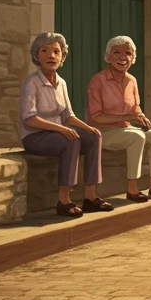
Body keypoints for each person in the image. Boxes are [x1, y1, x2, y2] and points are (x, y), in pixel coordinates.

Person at [19, 32, 107, 217]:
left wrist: (88, 128)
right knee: (71, 141)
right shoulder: (31, 83)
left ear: (62, 57)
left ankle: (90, 197)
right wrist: (61, 129)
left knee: (93, 137)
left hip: (57, 134)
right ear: (36, 55)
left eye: (56, 51)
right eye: (45, 51)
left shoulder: (62, 83)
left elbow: (68, 116)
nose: (51, 56)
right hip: (34, 136)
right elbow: (29, 118)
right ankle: (64, 200)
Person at [87, 36, 151, 204]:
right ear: (108, 56)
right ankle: (132, 188)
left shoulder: (132, 81)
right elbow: (96, 116)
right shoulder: (98, 81)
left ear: (133, 58)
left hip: (125, 130)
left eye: (128, 53)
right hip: (103, 132)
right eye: (116, 53)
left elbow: (135, 108)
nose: (122, 57)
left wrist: (141, 117)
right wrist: (130, 117)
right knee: (137, 137)